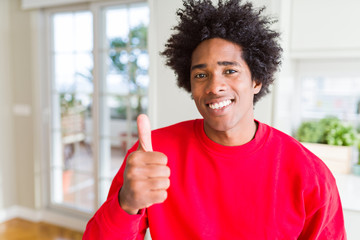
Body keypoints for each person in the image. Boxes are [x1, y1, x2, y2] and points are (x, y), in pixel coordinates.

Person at [83, 0, 346, 239]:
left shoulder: (308, 173)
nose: (214, 86)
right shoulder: (154, 155)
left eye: (230, 70)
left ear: (256, 80)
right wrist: (126, 203)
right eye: (200, 75)